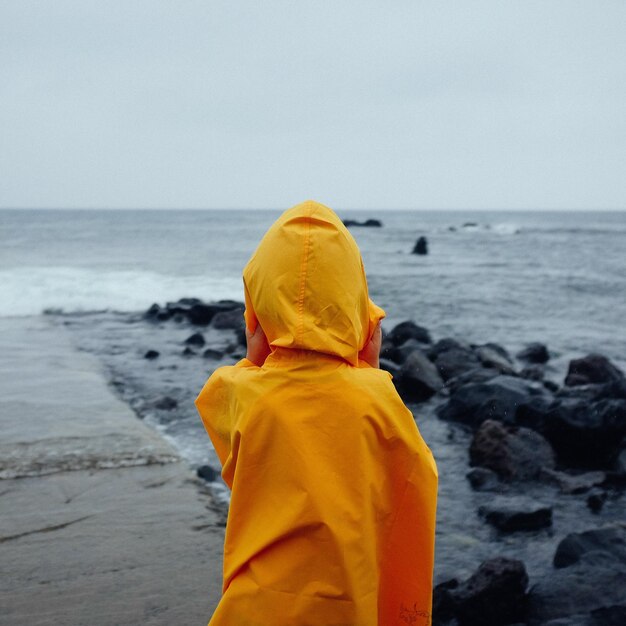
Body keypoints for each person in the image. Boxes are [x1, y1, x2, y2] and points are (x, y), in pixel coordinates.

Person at [195, 200, 438, 626]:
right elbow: (413, 476)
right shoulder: (377, 399)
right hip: (349, 606)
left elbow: (232, 427)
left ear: (256, 312)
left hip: (257, 607)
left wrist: (257, 350)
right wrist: (369, 367)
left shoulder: (240, 391)